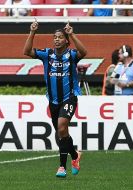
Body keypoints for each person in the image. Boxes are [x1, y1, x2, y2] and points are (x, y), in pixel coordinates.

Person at [23, 20, 87, 178]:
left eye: (60, 37)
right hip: (53, 100)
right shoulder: (47, 54)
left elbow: (83, 52)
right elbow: (27, 51)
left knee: (62, 125)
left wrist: (72, 33)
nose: (56, 39)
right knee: (61, 133)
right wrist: (32, 32)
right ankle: (75, 155)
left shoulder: (71, 55)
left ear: (66, 40)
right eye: (54, 37)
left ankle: (61, 167)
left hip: (69, 97)